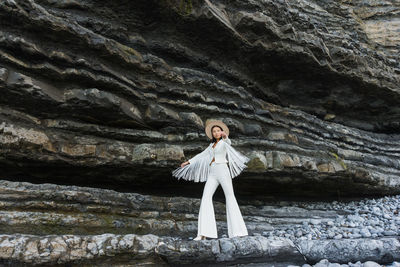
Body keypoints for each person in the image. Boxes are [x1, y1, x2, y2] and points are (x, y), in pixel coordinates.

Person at [172, 119, 250, 240]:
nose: (216, 133)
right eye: (214, 131)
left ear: (221, 132)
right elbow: (201, 155)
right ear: (212, 134)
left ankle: (238, 231)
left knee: (230, 197)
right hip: (212, 172)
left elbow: (228, 142)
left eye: (218, 131)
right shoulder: (210, 146)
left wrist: (226, 136)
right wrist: (188, 162)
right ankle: (203, 234)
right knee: (206, 197)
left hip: (223, 170)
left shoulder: (224, 142)